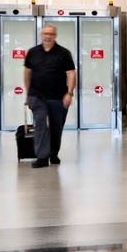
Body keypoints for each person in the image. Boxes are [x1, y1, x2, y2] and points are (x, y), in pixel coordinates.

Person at [23, 23, 75, 169]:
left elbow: (71, 74)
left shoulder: (64, 53)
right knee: (40, 125)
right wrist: (28, 94)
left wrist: (69, 93)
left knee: (56, 127)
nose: (48, 36)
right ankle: (42, 157)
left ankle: (53, 153)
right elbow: (27, 72)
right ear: (41, 35)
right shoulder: (33, 52)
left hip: (58, 97)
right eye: (45, 33)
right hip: (37, 96)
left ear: (55, 36)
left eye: (51, 34)